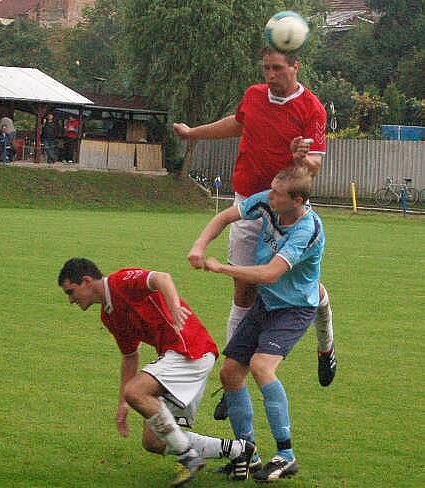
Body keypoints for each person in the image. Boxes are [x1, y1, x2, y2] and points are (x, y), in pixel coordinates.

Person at [177, 48, 336, 420]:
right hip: (251, 200)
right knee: (244, 292)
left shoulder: (312, 108)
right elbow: (237, 123)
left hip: (288, 207)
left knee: (300, 288)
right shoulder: (253, 95)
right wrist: (194, 133)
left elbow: (313, 168)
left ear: (296, 66)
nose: (271, 75)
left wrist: (301, 157)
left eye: (277, 69)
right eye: (266, 68)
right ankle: (236, 379)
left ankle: (325, 341)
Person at [58, 258, 257, 486]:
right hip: (177, 356)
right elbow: (130, 356)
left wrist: (174, 307)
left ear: (86, 281)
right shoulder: (108, 315)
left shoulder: (120, 281)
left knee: (137, 392)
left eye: (71, 292)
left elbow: (162, 278)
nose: (71, 300)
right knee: (153, 441)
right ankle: (239, 450)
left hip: (189, 350)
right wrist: (124, 402)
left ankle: (188, 458)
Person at [195, 166, 324, 482]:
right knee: (229, 372)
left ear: (297, 199)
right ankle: (246, 451)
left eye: (277, 194)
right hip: (266, 303)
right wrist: (199, 245)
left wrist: (223, 269)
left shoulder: (308, 230)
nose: (270, 196)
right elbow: (225, 217)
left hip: (294, 308)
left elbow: (269, 273)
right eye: (271, 189)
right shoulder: (268, 201)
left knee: (261, 366)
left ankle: (286, 454)